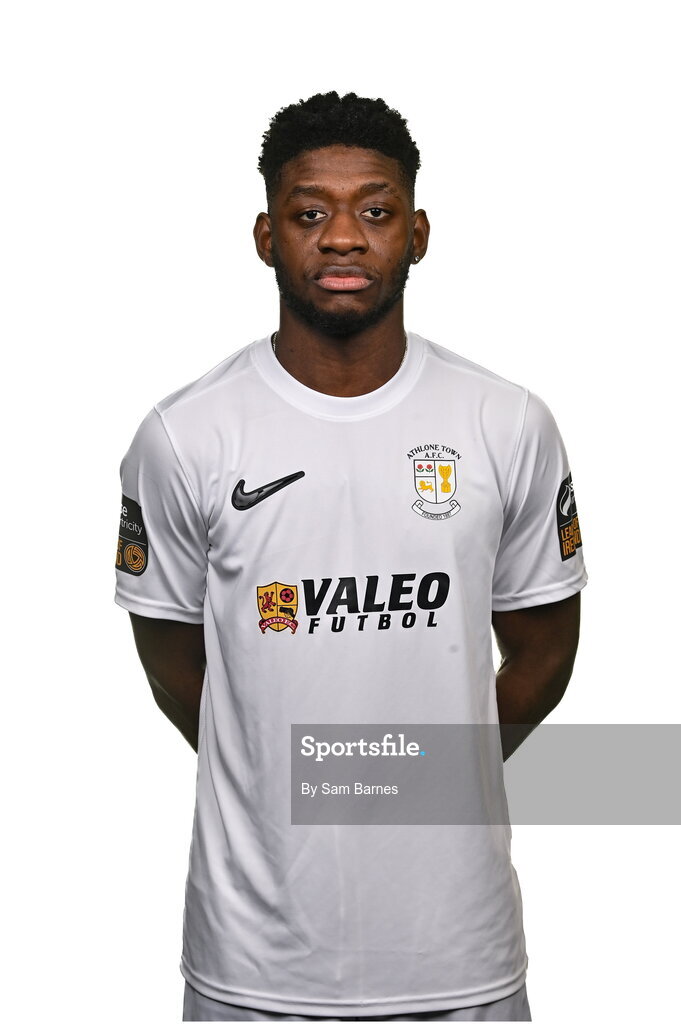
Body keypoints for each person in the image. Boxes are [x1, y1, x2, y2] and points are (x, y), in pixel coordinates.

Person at [114, 91, 586, 1022]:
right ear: (264, 235)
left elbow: (541, 655)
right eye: (309, 212)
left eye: (373, 211)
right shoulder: (186, 434)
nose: (341, 237)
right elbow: (176, 668)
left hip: (460, 956)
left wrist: (417, 779)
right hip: (254, 966)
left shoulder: (504, 423)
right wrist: (271, 776)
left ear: (416, 233)